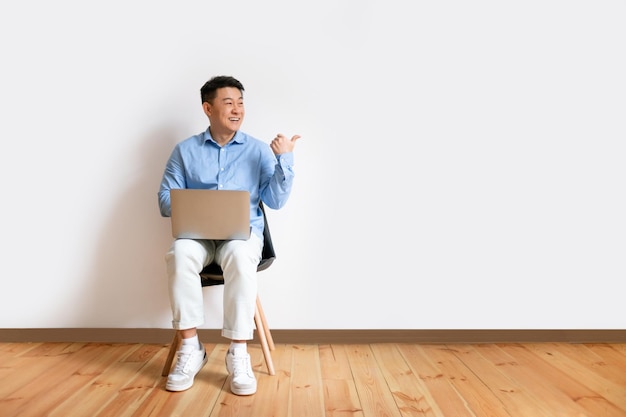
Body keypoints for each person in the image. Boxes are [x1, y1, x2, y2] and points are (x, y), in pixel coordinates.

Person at [157, 75, 300, 395]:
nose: (236, 109)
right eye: (228, 102)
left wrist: (284, 159)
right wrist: (193, 203)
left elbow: (275, 201)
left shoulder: (258, 150)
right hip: (197, 237)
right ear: (208, 108)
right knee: (179, 253)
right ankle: (191, 348)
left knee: (238, 254)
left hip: (242, 236)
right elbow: (165, 202)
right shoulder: (184, 151)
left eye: (240, 102)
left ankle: (238, 352)